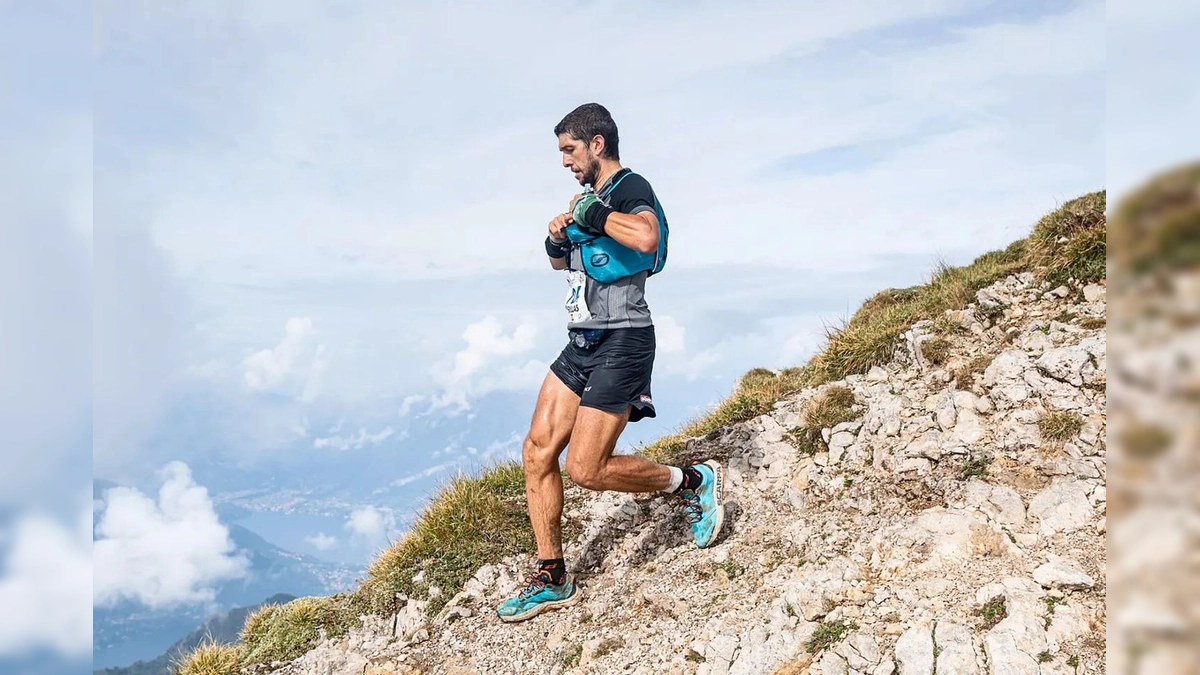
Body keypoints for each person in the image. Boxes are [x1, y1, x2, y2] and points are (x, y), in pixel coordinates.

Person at [497, 103, 725, 623]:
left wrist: (592, 215)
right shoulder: (593, 200)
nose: (564, 162)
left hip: (624, 341)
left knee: (586, 468)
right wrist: (557, 236)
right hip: (582, 341)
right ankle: (552, 576)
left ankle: (693, 482)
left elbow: (646, 238)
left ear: (597, 143)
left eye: (569, 150)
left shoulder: (628, 188)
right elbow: (563, 264)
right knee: (536, 453)